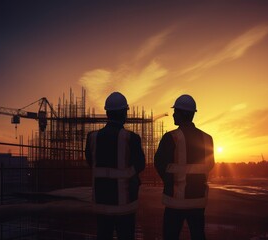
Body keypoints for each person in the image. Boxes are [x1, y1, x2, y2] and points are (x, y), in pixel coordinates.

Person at [85, 92, 145, 240]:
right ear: (124, 112)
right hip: (125, 206)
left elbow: (90, 161)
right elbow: (140, 165)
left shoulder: (92, 137)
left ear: (107, 113)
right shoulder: (131, 138)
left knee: (103, 235)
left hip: (101, 202)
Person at [154, 94, 215, 240]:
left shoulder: (171, 138)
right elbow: (210, 165)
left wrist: (171, 181)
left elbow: (159, 164)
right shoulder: (207, 139)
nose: (173, 115)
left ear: (183, 114)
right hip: (198, 202)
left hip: (175, 203)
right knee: (198, 236)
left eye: (176, 112)